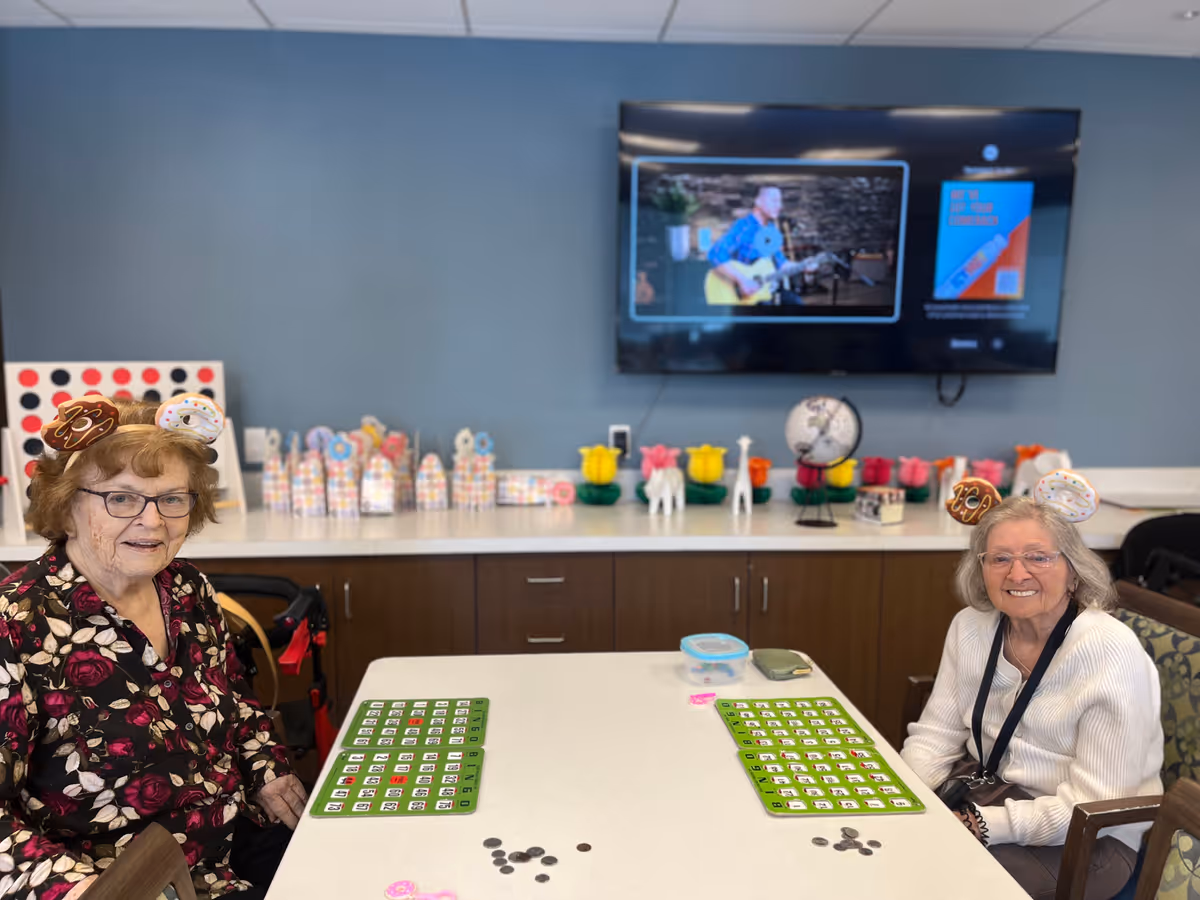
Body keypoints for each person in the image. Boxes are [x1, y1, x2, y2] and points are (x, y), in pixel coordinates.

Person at [0, 395, 306, 900]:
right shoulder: (16, 626)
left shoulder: (186, 588)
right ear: (67, 504)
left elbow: (235, 701)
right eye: (121, 498)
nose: (153, 521)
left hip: (233, 842)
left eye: (171, 498)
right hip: (126, 882)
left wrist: (266, 768)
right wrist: (85, 891)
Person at [901, 495, 1162, 900]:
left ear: (1073, 572)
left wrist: (979, 824)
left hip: (1086, 839)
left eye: (1038, 558)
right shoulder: (971, 627)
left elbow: (1096, 807)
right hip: (983, 791)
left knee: (927, 881)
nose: (1017, 574)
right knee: (885, 847)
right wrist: (912, 799)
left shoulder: (1110, 652)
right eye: (999, 558)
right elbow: (935, 735)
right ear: (981, 568)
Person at [707, 186, 798, 302]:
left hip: (766, 291)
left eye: (780, 201)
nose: (779, 206)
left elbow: (781, 264)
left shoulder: (771, 231)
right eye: (774, 200)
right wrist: (742, 280)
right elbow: (715, 254)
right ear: (758, 201)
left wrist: (804, 266)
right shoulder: (744, 227)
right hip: (741, 297)